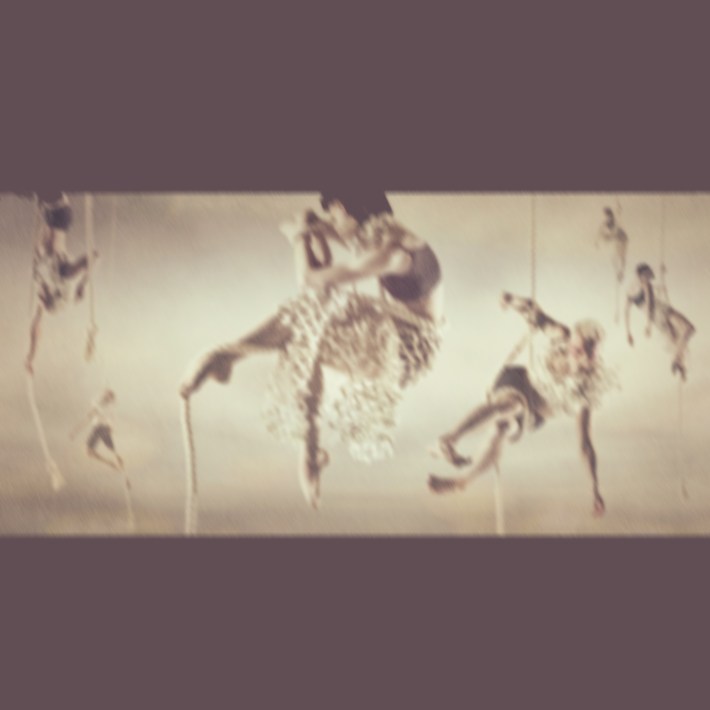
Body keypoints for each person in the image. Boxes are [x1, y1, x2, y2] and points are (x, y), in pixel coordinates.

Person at [180, 190, 444, 508]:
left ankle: (228, 356)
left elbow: (310, 280)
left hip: (409, 349)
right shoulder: (383, 235)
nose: (332, 221)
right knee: (317, 319)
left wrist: (299, 237)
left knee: (316, 307)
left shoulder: (392, 252)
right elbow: (340, 237)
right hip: (394, 328)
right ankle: (234, 363)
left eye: (334, 214)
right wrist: (312, 226)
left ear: (345, 208)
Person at [429, 292, 613, 517]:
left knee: (501, 428)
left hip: (532, 415)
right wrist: (512, 301)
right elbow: (535, 312)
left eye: (585, 354)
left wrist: (595, 488)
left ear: (595, 356)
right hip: (516, 382)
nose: (576, 357)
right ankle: (449, 440)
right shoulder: (562, 336)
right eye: (574, 349)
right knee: (511, 405)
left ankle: (464, 481)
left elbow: (585, 444)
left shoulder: (587, 390)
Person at [25, 193, 97, 374]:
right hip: (59, 214)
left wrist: (31, 357)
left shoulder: (44, 282)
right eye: (43, 297)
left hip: (47, 214)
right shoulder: (63, 274)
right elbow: (94, 257)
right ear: (53, 294)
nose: (39, 295)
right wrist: (82, 285)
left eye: (41, 298)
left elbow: (36, 328)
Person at [625, 263, 695, 381]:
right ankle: (677, 359)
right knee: (688, 329)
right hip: (661, 310)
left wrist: (629, 332)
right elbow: (649, 302)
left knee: (674, 339)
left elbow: (626, 312)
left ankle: (679, 365)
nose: (649, 276)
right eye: (647, 274)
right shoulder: (645, 284)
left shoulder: (630, 291)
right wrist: (648, 325)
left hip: (655, 319)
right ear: (643, 274)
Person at [70, 389, 126, 478]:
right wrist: (75, 431)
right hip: (100, 428)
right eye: (105, 396)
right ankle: (113, 462)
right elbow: (91, 417)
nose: (105, 397)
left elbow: (89, 418)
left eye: (107, 397)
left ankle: (115, 461)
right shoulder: (101, 405)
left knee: (93, 450)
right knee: (89, 452)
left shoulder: (104, 406)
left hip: (101, 427)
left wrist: (75, 431)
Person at [596, 206, 629, 284]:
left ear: (611, 215)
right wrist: (597, 241)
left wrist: (619, 209)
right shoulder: (604, 224)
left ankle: (621, 273)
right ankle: (618, 273)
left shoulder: (616, 221)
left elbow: (616, 229)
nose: (608, 218)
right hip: (616, 239)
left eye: (609, 216)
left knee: (621, 256)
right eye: (606, 216)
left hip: (623, 239)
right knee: (614, 258)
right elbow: (600, 232)